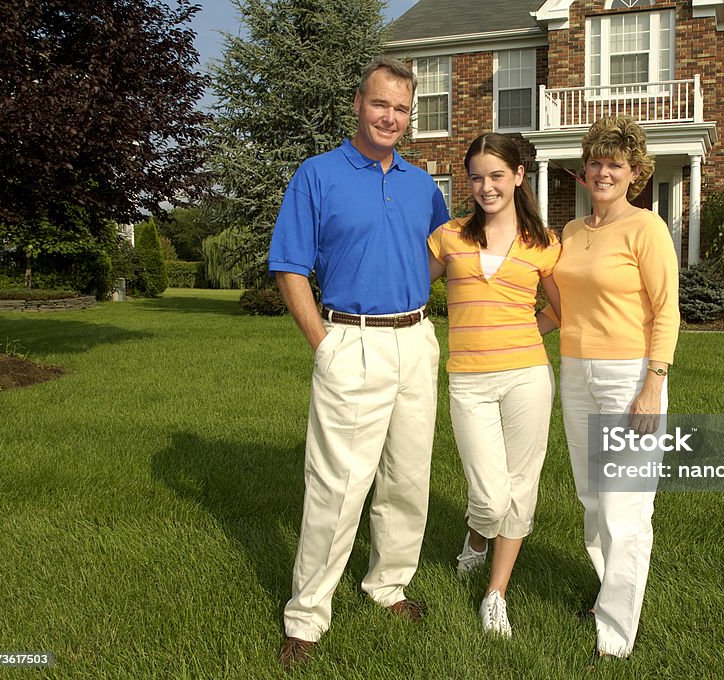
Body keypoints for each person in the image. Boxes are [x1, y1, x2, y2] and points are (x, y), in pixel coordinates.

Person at [268, 57, 450, 671]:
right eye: (381, 104)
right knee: (337, 487)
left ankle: (387, 584)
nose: (391, 117)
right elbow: (289, 266)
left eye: (402, 109)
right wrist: (323, 341)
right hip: (351, 340)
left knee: (407, 480)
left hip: (416, 341)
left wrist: (409, 296)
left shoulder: (424, 184)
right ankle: (307, 614)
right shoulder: (317, 176)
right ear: (357, 104)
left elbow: (440, 254)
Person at [538, 114, 680, 658]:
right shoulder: (572, 232)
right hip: (577, 372)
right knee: (592, 499)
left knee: (625, 507)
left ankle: (616, 636)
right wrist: (515, 335)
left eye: (615, 164)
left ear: (634, 173)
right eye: (596, 162)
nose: (603, 172)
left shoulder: (647, 228)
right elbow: (563, 307)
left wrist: (653, 383)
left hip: (629, 377)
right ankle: (606, 594)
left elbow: (667, 312)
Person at [427, 133, 561, 638]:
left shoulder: (543, 245)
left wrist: (529, 332)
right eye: (478, 177)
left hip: (527, 376)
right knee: (489, 493)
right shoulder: (450, 237)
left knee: (521, 488)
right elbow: (413, 287)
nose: (487, 187)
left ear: (519, 176)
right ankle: (477, 538)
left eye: (497, 176)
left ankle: (495, 594)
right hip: (468, 379)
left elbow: (562, 309)